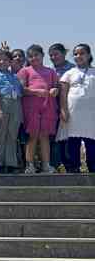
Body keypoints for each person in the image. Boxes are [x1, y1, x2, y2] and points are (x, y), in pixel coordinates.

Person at [18, 44, 59, 174]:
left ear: (42, 55)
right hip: (31, 107)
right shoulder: (25, 71)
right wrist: (36, 92)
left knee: (45, 136)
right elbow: (21, 89)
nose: (34, 58)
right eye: (30, 56)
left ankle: (46, 165)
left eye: (36, 55)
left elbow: (56, 87)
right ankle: (30, 165)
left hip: (48, 106)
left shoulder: (51, 71)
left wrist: (54, 90)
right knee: (32, 135)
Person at [59, 43, 95, 173]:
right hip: (73, 113)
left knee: (91, 142)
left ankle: (92, 168)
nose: (78, 56)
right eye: (75, 54)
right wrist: (63, 110)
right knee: (73, 141)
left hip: (91, 115)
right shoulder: (69, 73)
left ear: (89, 55)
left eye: (82, 53)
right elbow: (63, 94)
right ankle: (73, 168)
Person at [0, 51, 22, 173]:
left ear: (10, 62)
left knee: (12, 135)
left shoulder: (14, 76)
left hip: (15, 104)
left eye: (5, 60)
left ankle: (10, 163)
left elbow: (20, 92)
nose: (2, 62)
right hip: (2, 103)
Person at [50, 44, 77, 173]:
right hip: (52, 108)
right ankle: (56, 165)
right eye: (51, 55)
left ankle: (71, 165)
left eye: (56, 54)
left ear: (64, 54)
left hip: (69, 107)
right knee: (55, 138)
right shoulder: (50, 70)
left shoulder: (72, 69)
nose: (53, 57)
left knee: (69, 138)